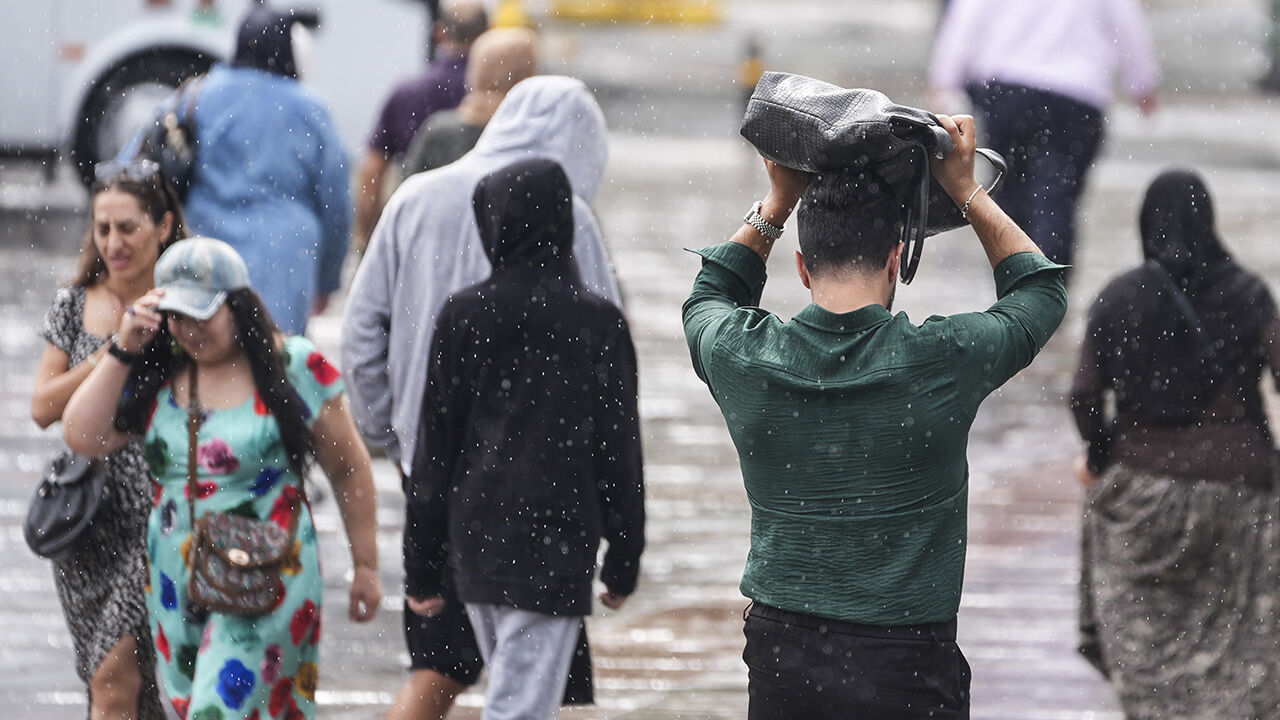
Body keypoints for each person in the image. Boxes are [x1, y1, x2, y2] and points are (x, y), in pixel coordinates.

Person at [682, 114, 1068, 718]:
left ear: (802, 267)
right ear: (896, 261)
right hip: (909, 666)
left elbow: (709, 294)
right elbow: (1040, 293)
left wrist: (778, 202)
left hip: (784, 660)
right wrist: (967, 191)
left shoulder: (742, 354)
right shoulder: (943, 359)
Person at [341, 75, 620, 719]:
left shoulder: (414, 198)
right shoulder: (570, 217)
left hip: (432, 477)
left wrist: (391, 434)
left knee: (441, 664)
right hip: (538, 494)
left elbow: (361, 332)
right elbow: (607, 356)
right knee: (529, 677)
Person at [61, 237, 382, 719]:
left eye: (201, 314)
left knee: (217, 709)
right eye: (176, 315)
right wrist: (123, 348)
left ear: (238, 307)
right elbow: (82, 435)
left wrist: (367, 565)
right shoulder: (158, 372)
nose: (188, 330)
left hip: (268, 572)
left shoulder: (291, 365)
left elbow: (349, 466)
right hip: (175, 579)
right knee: (201, 705)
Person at [408, 157, 645, 720]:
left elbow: (434, 452)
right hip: (555, 545)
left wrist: (422, 562)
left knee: (515, 698)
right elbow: (619, 451)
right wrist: (624, 556)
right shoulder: (599, 324)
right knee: (520, 705)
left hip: (476, 543)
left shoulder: (463, 316)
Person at [1069, 169, 1280, 718]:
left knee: (1149, 640)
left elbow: (1083, 395)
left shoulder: (1118, 299)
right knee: (1244, 640)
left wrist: (1099, 454)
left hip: (1142, 491)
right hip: (1241, 490)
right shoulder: (1252, 295)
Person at [31, 159, 185, 720]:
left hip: (158, 517)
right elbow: (43, 406)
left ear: (163, 226)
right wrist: (109, 355)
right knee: (123, 690)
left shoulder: (185, 308)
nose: (114, 243)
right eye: (103, 229)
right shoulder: (76, 303)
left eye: (128, 227)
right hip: (87, 518)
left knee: (111, 677)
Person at [928, 0, 1159, 269]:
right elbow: (1125, 21)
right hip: (1076, 94)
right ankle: (1048, 288)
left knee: (1010, 194)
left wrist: (945, 78)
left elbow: (968, 16)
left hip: (1009, 89)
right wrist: (1143, 82)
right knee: (1056, 199)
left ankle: (1015, 285)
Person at [175, 5, 350, 335]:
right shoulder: (311, 108)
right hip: (284, 256)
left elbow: (136, 165)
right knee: (276, 364)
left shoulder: (197, 93)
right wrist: (328, 279)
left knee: (206, 361)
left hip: (205, 246)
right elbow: (336, 202)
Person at [355, 0, 489, 248]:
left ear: (439, 32)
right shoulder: (497, 95)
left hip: (418, 236)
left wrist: (370, 236)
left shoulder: (406, 92)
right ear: (488, 32)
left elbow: (372, 172)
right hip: (482, 238)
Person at [401, 26, 538, 178]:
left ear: (477, 70)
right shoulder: (531, 135)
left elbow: (408, 190)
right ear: (526, 74)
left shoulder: (439, 130)